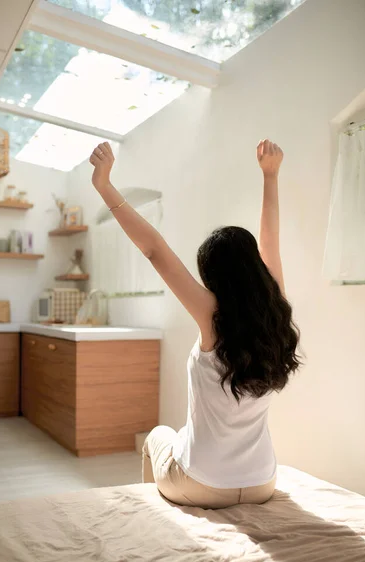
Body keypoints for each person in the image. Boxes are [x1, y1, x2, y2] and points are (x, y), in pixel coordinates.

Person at [90, 139, 300, 510]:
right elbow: (271, 244)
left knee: (158, 436)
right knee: (185, 434)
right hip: (262, 481)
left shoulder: (213, 315)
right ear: (252, 267)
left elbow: (154, 249)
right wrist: (271, 175)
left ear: (214, 277)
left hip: (203, 484)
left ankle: (159, 526)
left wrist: (104, 185)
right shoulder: (275, 311)